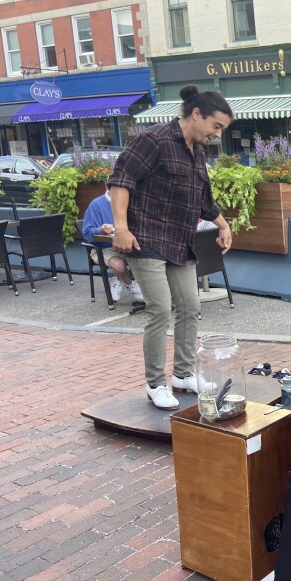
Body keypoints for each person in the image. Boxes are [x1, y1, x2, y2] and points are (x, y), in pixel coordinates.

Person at [109, 85, 234, 410]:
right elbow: (121, 180)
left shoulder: (198, 152)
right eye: (216, 126)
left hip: (180, 241)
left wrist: (223, 224)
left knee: (191, 307)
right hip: (146, 238)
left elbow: (202, 199)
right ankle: (155, 384)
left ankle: (182, 375)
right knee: (161, 309)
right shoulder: (155, 140)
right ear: (196, 115)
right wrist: (121, 228)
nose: (217, 134)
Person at [81, 188, 144, 303]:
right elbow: (86, 233)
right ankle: (132, 286)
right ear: (108, 187)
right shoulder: (96, 204)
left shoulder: (130, 201)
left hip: (128, 245)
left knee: (148, 259)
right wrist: (100, 230)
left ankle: (119, 279)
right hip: (103, 248)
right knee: (118, 266)